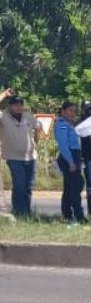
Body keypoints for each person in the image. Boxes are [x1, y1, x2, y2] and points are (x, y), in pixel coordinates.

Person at [0, 87, 39, 217]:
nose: (18, 107)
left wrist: (36, 141)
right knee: (19, 186)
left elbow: (38, 128)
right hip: (14, 157)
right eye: (15, 105)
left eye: (20, 105)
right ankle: (18, 212)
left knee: (28, 187)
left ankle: (26, 213)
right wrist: (4, 94)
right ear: (10, 107)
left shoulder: (28, 116)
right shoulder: (3, 117)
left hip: (30, 157)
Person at [54, 101, 85, 222]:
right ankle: (79, 216)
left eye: (74, 111)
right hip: (69, 157)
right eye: (70, 110)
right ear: (63, 111)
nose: (73, 113)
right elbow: (63, 145)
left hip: (75, 155)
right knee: (76, 186)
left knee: (69, 187)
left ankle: (67, 214)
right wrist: (71, 162)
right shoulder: (61, 124)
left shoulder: (69, 124)